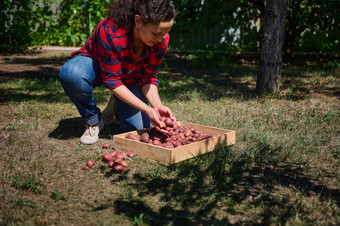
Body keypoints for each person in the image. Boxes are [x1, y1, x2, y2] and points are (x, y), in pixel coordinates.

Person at [59, 0, 177, 144]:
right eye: (156, 33)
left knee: (140, 130)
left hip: (129, 77)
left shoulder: (161, 40)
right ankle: (93, 120)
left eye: (164, 33)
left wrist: (157, 107)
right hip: (96, 65)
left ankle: (116, 104)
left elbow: (148, 77)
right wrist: (146, 109)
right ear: (138, 21)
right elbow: (112, 80)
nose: (160, 39)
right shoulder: (110, 30)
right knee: (72, 74)